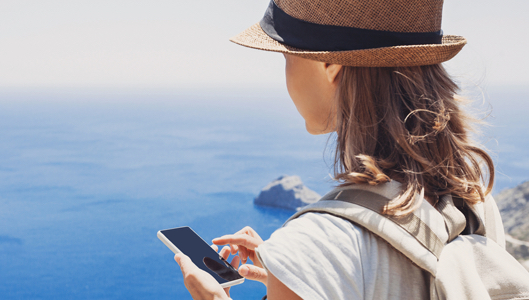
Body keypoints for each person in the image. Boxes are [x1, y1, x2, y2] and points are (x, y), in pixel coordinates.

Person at [174, 0, 497, 299]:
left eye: (286, 56)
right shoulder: (475, 199)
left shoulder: (312, 245)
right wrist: (301, 274)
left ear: (329, 64)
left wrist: (298, 266)